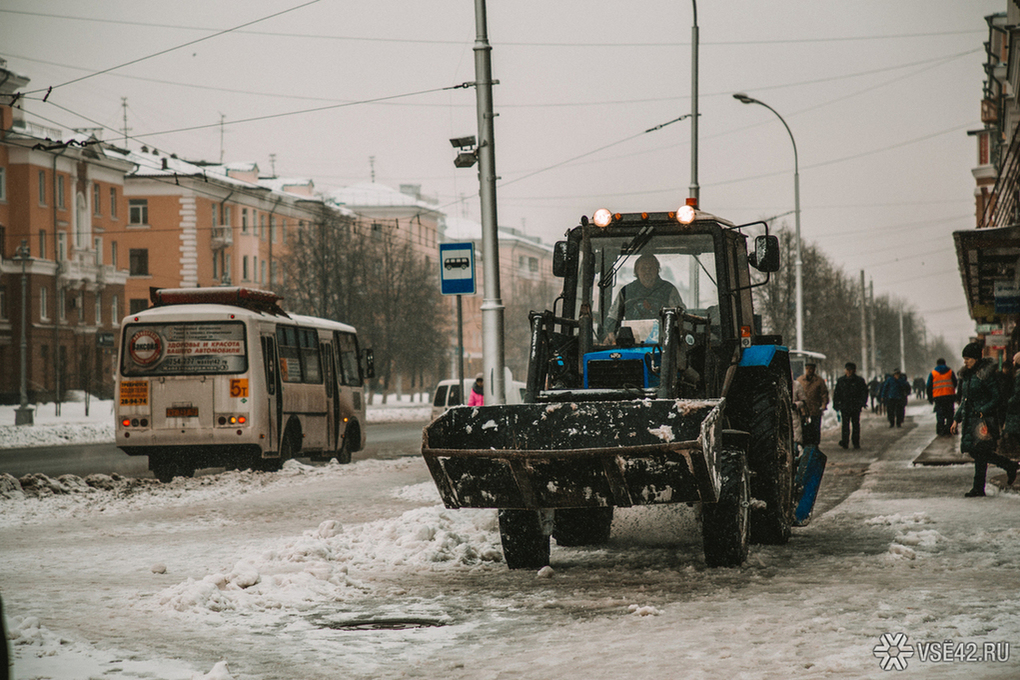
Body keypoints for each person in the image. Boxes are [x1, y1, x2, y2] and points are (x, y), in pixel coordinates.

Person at [951, 342, 1018, 497]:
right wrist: (956, 419)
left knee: (980, 451)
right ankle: (1009, 466)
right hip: (971, 419)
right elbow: (965, 401)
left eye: (968, 358)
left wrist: (982, 411)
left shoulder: (985, 375)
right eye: (964, 358)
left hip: (983, 421)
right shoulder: (967, 376)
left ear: (976, 358)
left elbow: (996, 397)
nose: (965, 361)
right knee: (978, 452)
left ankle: (978, 487)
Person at [604, 253, 683, 343]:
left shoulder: (668, 290)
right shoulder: (626, 291)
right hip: (631, 342)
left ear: (657, 270)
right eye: (643, 268)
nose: (647, 271)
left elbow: (680, 315)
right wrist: (610, 333)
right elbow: (613, 317)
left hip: (663, 342)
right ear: (636, 271)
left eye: (651, 268)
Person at [833, 362, 869, 449]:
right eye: (847, 370)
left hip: (855, 406)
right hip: (844, 406)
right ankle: (845, 442)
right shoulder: (841, 381)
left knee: (855, 425)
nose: (848, 372)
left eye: (850, 370)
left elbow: (864, 392)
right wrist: (836, 404)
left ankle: (855, 442)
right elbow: (837, 393)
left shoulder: (859, 381)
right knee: (845, 425)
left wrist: (862, 402)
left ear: (854, 370)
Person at [796, 363, 829, 447]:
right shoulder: (800, 380)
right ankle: (805, 445)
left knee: (815, 429)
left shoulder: (819, 381)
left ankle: (815, 445)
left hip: (815, 409)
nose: (809, 370)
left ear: (814, 370)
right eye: (807, 368)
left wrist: (824, 404)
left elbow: (824, 394)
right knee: (803, 429)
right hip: (803, 410)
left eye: (811, 368)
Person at [925, 357, 958, 436]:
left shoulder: (933, 373)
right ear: (945, 363)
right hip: (949, 396)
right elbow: (955, 382)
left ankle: (941, 429)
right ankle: (950, 428)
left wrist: (930, 398)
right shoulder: (950, 372)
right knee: (950, 413)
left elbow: (929, 386)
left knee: (940, 414)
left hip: (938, 397)